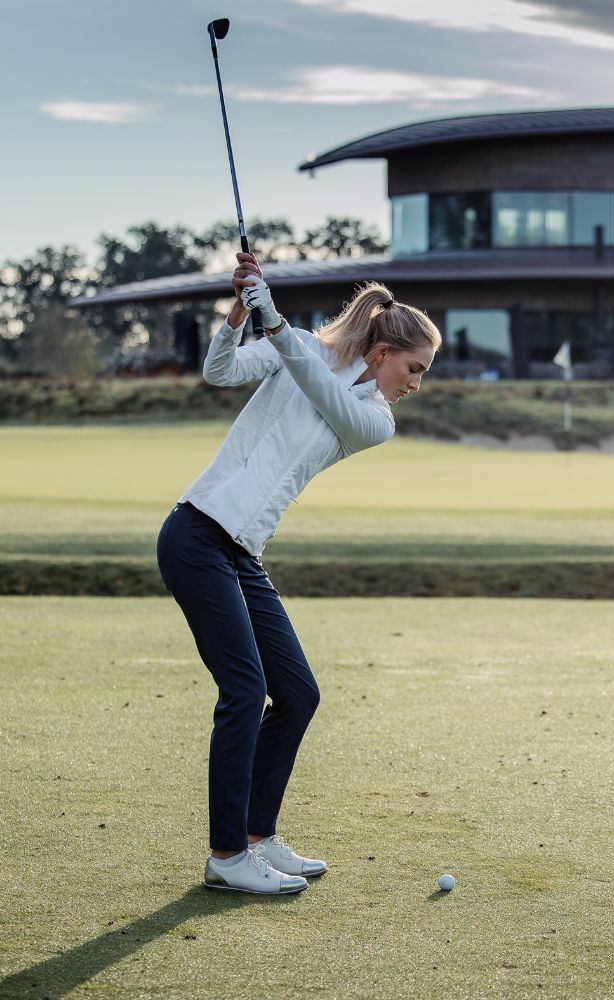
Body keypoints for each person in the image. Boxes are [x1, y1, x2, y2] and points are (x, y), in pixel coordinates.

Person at [156, 252, 441, 895]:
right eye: (414, 368)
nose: (418, 383)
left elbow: (322, 390)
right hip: (197, 534)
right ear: (382, 352)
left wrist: (278, 325)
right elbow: (220, 370)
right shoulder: (304, 347)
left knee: (297, 694)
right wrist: (241, 314)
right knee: (244, 690)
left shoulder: (375, 420)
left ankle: (258, 836)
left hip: (241, 551)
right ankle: (228, 855)